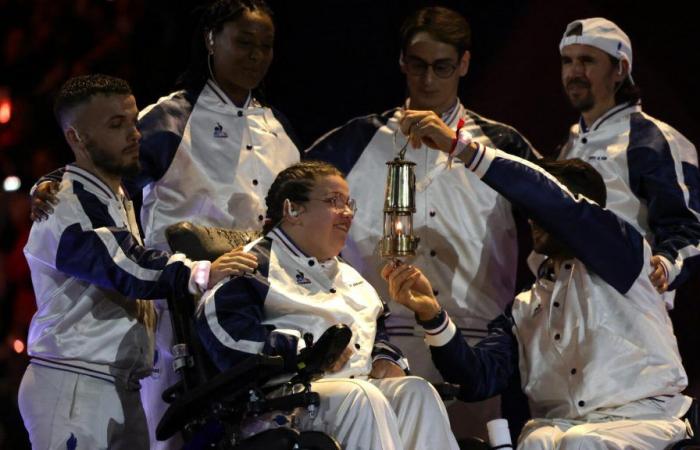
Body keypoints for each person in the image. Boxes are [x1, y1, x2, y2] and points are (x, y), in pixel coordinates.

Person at [30, 2, 301, 447]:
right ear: (211, 40)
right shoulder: (167, 119)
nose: (255, 55)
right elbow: (96, 166)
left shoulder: (279, 127)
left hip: (253, 306)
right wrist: (48, 183)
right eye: (244, 42)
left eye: (266, 46)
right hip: (176, 308)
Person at [305, 5, 537, 436]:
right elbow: (293, 225)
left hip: (473, 349)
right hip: (378, 344)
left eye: (442, 67)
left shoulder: (501, 147)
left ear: (464, 64)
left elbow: (556, 222)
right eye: (418, 66)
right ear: (401, 62)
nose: (428, 80)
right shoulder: (352, 143)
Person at [382, 133, 691, 448]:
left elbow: (552, 202)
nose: (532, 217)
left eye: (542, 208)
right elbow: (478, 377)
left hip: (642, 421)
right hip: (560, 429)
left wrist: (460, 147)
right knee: (538, 440)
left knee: (579, 444)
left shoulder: (623, 254)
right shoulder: (524, 306)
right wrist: (431, 314)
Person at [18, 74, 246, 450]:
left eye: (132, 120)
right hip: (74, 383)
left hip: (115, 383)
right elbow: (125, 266)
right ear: (76, 138)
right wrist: (202, 271)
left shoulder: (113, 193)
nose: (135, 133)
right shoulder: (66, 201)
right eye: (115, 124)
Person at [196, 160, 459, 450]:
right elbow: (223, 333)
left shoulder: (349, 275)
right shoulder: (254, 264)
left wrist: (386, 358)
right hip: (281, 402)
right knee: (362, 397)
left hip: (350, 392)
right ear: (293, 210)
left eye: (349, 204)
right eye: (334, 202)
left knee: (417, 392)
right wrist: (305, 352)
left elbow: (374, 330)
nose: (347, 214)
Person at [556, 17, 700, 296]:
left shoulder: (657, 139)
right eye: (566, 61)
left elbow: (690, 228)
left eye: (587, 60)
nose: (574, 72)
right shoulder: (570, 141)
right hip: (564, 311)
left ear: (620, 69)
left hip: (629, 314)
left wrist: (667, 264)